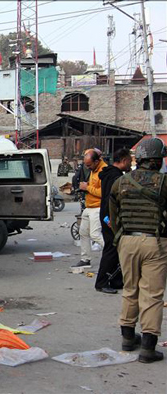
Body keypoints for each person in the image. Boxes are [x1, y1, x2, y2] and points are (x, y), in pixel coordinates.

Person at [109, 137, 167, 364]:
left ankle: (127, 338)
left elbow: (114, 216)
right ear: (156, 160)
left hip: (127, 242)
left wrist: (119, 239)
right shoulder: (164, 182)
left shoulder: (121, 183)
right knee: (152, 295)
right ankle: (148, 349)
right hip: (155, 242)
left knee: (130, 289)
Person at [95, 148, 132, 294]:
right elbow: (110, 201)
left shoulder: (111, 174)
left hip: (108, 216)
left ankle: (116, 280)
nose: (131, 163)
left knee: (116, 249)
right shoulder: (115, 177)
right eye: (129, 160)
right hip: (110, 218)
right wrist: (110, 219)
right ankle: (101, 282)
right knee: (111, 249)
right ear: (123, 160)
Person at [73, 149, 107, 268]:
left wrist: (87, 188)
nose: (88, 167)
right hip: (89, 206)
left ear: (97, 161)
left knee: (95, 234)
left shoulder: (103, 170)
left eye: (89, 165)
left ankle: (115, 253)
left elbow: (104, 192)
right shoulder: (94, 169)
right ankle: (85, 259)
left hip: (98, 206)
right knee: (83, 232)